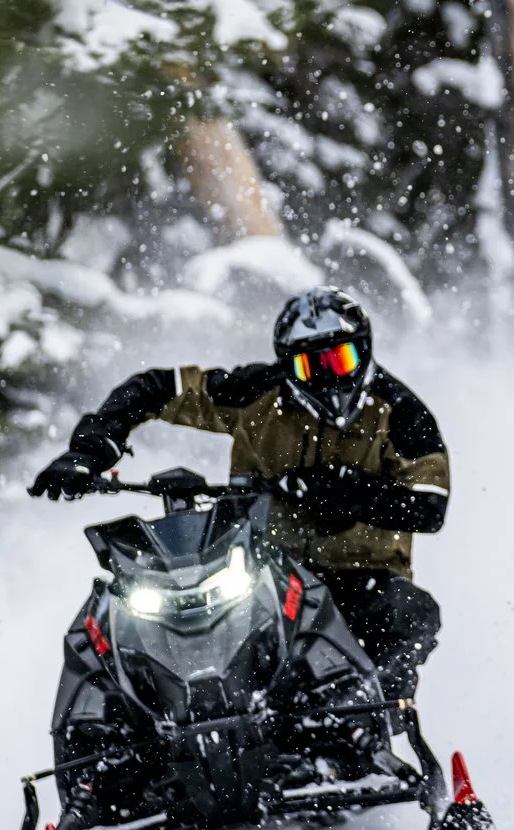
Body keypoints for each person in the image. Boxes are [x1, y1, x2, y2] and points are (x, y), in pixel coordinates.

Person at [29, 288, 449, 702]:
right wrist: (91, 448)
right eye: (309, 366)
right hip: (263, 566)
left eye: (341, 360)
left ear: (365, 350)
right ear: (287, 366)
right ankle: (126, 724)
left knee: (412, 614)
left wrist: (344, 492)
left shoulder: (401, 412)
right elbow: (158, 388)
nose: (328, 379)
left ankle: (363, 711)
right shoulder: (259, 393)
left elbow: (430, 504)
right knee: (126, 612)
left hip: (356, 577)